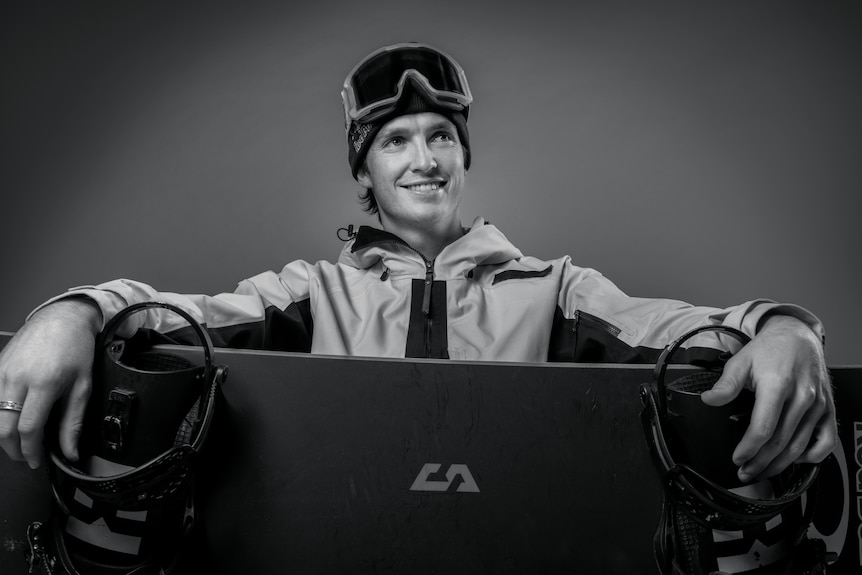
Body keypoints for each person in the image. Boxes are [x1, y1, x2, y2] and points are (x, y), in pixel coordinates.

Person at [0, 42, 836, 490]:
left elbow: (678, 326)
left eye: (441, 136)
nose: (424, 157)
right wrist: (73, 309)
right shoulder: (311, 291)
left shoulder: (558, 289)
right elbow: (178, 315)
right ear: (364, 170)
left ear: (464, 155)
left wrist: (782, 325)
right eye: (396, 140)